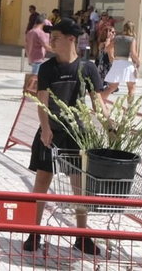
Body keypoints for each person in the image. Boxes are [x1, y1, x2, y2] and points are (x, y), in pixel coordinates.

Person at [21, 19, 106, 255]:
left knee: (78, 188)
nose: (51, 41)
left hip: (77, 135)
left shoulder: (87, 68)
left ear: (71, 39)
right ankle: (34, 232)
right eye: (51, 37)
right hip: (52, 132)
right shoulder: (48, 67)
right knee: (42, 182)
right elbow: (42, 101)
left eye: (56, 37)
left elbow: (97, 102)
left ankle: (82, 236)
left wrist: (109, 123)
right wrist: (45, 128)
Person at [102, 22, 139, 102]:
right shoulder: (132, 39)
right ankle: (130, 108)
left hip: (117, 63)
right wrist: (138, 62)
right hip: (127, 64)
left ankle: (99, 103)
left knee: (112, 87)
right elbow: (133, 53)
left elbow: (107, 49)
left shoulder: (117, 38)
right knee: (131, 88)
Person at [24, 11, 50, 94]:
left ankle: (28, 91)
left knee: (35, 75)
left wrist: (28, 57)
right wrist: (57, 50)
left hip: (32, 56)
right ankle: (27, 92)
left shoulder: (30, 32)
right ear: (43, 23)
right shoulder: (40, 33)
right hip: (38, 56)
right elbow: (46, 46)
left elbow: (26, 45)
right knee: (34, 76)